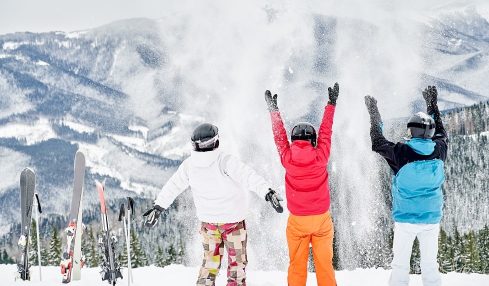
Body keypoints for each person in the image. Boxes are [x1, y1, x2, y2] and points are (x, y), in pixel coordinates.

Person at [143, 123, 283, 286]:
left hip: (209, 225)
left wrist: (158, 207)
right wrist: (268, 192)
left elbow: (173, 186)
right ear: (216, 142)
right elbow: (248, 176)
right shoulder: (225, 161)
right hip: (233, 224)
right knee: (237, 266)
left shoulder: (189, 166)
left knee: (209, 265)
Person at [364, 86, 448, 286]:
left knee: (400, 266)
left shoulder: (401, 152)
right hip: (431, 217)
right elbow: (442, 132)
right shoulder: (439, 150)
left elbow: (377, 142)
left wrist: (374, 114)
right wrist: (432, 105)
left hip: (406, 218)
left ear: (411, 130)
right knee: (430, 266)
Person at [264, 83, 339, 286]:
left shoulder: (287, 158)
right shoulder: (321, 156)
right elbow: (326, 131)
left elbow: (279, 137)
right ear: (313, 140)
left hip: (298, 220)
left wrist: (274, 111)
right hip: (322, 219)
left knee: (297, 266)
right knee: (325, 266)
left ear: (293, 140)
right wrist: (331, 105)